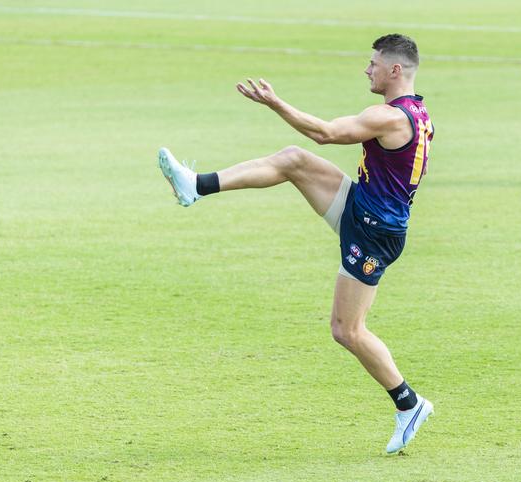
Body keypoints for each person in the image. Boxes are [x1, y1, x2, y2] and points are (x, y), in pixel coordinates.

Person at [158, 34, 434, 454]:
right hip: (364, 207)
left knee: (347, 330)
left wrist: (275, 103)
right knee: (293, 160)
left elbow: (324, 133)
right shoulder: (417, 111)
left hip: (374, 231)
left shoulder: (391, 117)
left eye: (373, 63)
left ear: (395, 70)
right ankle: (195, 185)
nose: (367, 69)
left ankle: (409, 404)